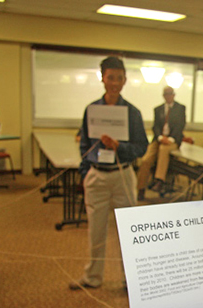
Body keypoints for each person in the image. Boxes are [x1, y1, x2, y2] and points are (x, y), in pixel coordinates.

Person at [70, 56, 148, 290]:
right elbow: (84, 143)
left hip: (122, 174)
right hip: (96, 175)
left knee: (129, 232)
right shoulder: (92, 110)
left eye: (120, 78)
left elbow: (142, 147)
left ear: (125, 80)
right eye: (110, 77)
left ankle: (130, 280)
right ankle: (93, 277)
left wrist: (119, 147)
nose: (115, 83)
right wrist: (86, 173)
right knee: (96, 230)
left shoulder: (132, 113)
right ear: (102, 78)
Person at [137, 86, 186, 199]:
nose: (168, 96)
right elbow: (156, 126)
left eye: (170, 94)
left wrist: (171, 139)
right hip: (159, 138)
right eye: (166, 94)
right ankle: (141, 188)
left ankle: (159, 180)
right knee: (146, 160)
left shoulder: (180, 108)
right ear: (163, 96)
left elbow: (180, 126)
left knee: (164, 150)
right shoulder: (158, 109)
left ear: (174, 95)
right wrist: (160, 137)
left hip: (172, 140)